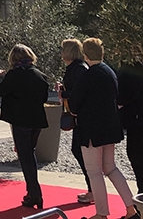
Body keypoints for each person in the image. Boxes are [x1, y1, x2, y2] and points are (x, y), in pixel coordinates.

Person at [67, 37, 137, 219]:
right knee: (111, 168)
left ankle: (102, 213)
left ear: (85, 55)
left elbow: (74, 105)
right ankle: (131, 208)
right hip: (110, 127)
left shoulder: (88, 75)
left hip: (91, 129)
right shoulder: (109, 72)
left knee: (94, 172)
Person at [0, 43, 49, 211]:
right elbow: (44, 98)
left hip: (20, 121)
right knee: (29, 154)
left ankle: (35, 193)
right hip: (36, 121)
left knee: (26, 158)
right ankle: (32, 192)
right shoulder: (40, 75)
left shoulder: (14, 75)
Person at [116, 59, 143, 194]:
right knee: (136, 156)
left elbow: (128, 93)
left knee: (141, 158)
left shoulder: (135, 64)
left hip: (142, 117)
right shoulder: (132, 63)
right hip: (139, 117)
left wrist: (115, 100)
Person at [58, 38, 93, 205]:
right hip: (79, 116)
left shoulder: (78, 69)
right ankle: (92, 188)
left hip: (82, 117)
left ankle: (93, 189)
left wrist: (64, 94)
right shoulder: (75, 68)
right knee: (78, 151)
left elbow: (80, 92)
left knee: (81, 152)